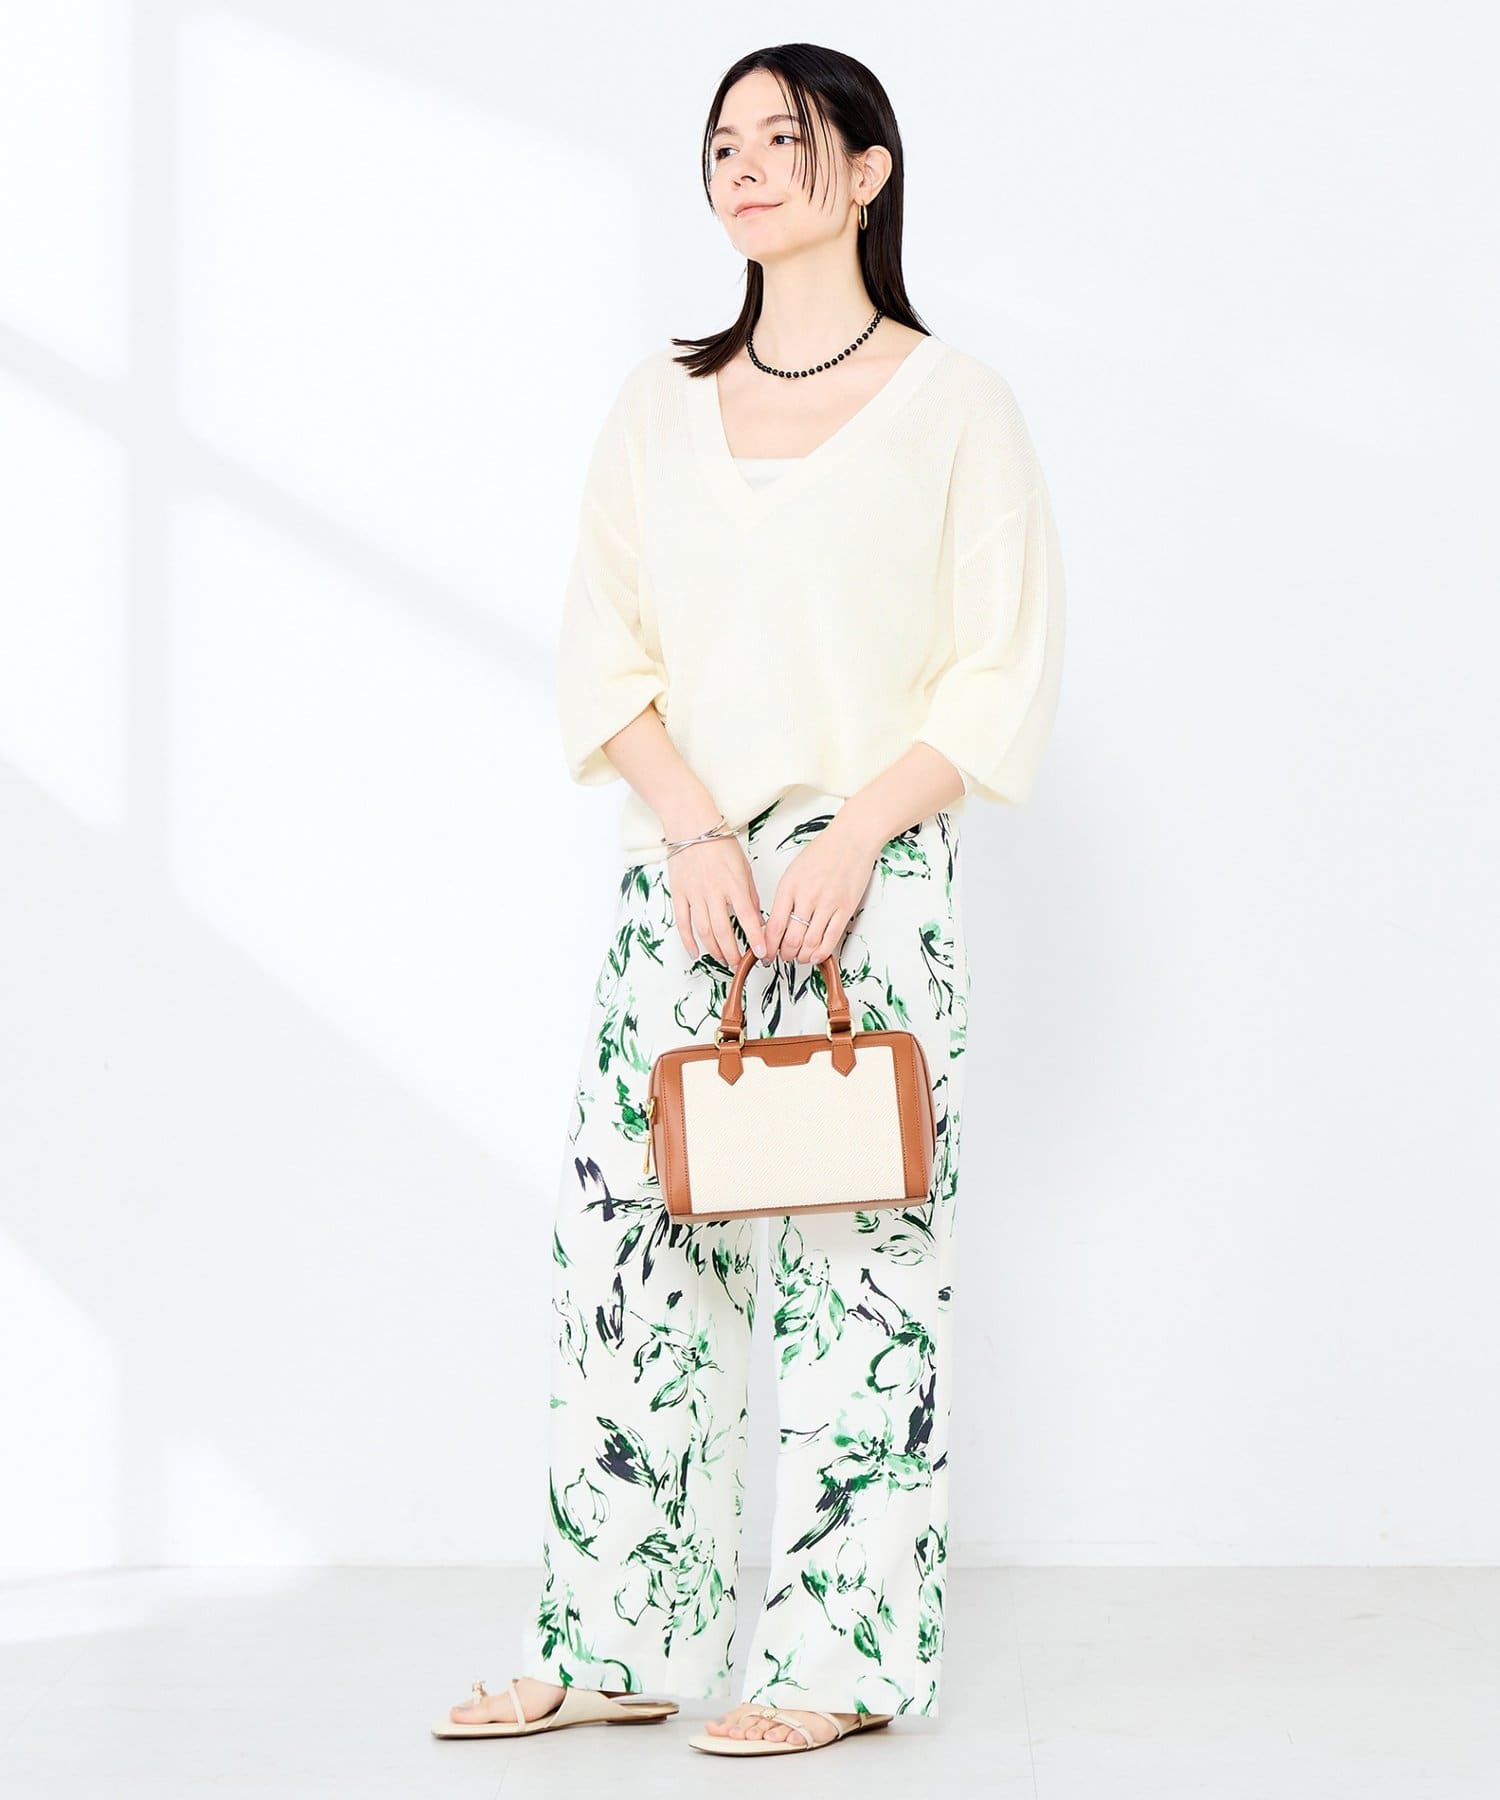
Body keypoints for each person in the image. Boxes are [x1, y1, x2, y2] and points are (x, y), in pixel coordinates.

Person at [435, 41, 1065, 1759]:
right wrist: (698, 831)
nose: (746, 164)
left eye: (785, 137)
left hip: (876, 879)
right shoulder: (658, 403)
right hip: (692, 883)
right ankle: (611, 1644)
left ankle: (837, 1665)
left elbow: (999, 669)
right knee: (631, 1255)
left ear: (868, 170)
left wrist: (852, 839)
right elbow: (604, 650)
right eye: (723, 142)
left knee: (864, 1270)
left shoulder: (957, 403)